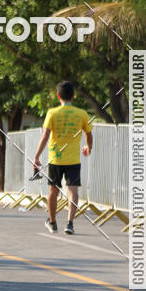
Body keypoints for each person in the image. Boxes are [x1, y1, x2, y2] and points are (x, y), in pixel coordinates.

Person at [32, 80, 93, 235]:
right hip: (73, 159)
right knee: (72, 191)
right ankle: (70, 223)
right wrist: (88, 147)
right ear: (73, 96)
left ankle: (52, 222)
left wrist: (37, 156)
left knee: (53, 190)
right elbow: (88, 134)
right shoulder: (82, 114)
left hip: (55, 158)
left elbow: (45, 136)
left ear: (58, 95)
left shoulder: (52, 113)